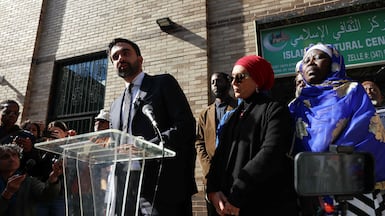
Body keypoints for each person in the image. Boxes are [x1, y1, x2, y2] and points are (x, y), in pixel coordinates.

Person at [289, 43, 385, 215]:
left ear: (334, 63)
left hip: (351, 186)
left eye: (318, 57)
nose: (310, 62)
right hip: (310, 189)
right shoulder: (295, 106)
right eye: (306, 60)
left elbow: (363, 129)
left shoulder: (352, 91)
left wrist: (326, 165)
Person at [107, 38, 197, 215]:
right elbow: (117, 143)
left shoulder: (162, 83)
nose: (120, 59)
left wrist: (145, 147)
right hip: (126, 191)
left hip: (162, 187)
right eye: (115, 57)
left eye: (125, 53)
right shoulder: (115, 105)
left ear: (140, 59)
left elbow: (185, 125)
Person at [206, 55, 299, 216]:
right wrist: (212, 191)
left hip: (261, 204)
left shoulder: (274, 110)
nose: (233, 83)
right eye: (231, 77)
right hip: (228, 205)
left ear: (257, 79)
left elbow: (270, 153)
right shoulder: (232, 117)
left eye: (240, 77)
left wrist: (238, 192)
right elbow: (219, 157)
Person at [195, 72, 237, 216]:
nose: (215, 85)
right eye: (212, 82)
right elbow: (199, 143)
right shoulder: (205, 114)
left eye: (218, 81)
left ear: (228, 82)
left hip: (234, 175)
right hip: (212, 177)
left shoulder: (239, 107)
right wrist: (208, 168)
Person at [0, 144, 63, 216]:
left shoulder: (28, 181)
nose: (12, 159)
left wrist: (54, 176)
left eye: (14, 155)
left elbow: (47, 195)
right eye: (5, 157)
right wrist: (8, 192)